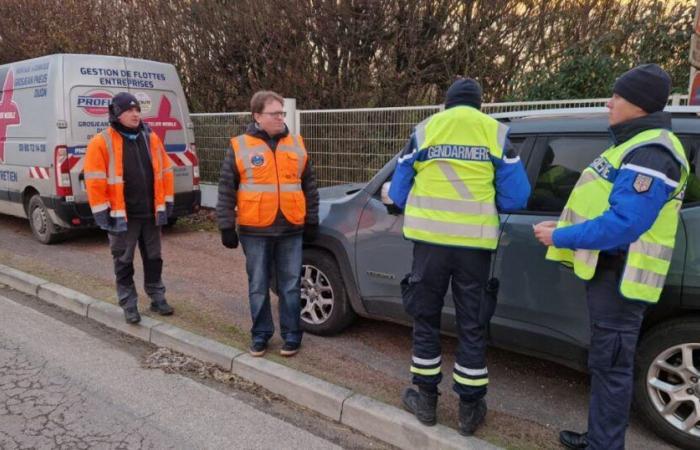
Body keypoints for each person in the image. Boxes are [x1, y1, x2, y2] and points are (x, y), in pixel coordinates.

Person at [533, 64, 688, 450]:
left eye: (616, 96)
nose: (609, 103)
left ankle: (604, 446)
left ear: (637, 104)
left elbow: (624, 223)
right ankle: (599, 439)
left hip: (624, 276)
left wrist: (561, 236)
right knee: (605, 365)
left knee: (612, 367)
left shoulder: (651, 152)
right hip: (611, 272)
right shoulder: (631, 145)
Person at [388, 78, 530, 435]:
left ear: (446, 104)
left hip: (429, 245)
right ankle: (469, 410)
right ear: (480, 105)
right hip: (474, 247)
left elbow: (399, 192)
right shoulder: (496, 133)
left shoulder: (425, 130)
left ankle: (426, 402)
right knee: (472, 324)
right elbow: (516, 198)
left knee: (425, 319)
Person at [217, 90, 319, 358]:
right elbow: (227, 188)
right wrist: (226, 225)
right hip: (255, 231)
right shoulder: (240, 145)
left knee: (290, 285)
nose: (280, 118)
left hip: (291, 229)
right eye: (274, 113)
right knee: (258, 286)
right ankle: (261, 334)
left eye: (282, 113)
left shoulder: (296, 143)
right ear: (257, 116)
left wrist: (312, 220)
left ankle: (292, 335)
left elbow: (310, 186)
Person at [84, 92, 175, 324]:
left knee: (154, 258)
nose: (135, 114)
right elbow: (95, 182)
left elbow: (166, 172)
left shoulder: (151, 138)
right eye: (129, 110)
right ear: (116, 113)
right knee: (123, 262)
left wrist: (168, 202)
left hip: (150, 213)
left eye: (137, 110)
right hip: (122, 216)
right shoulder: (101, 142)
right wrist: (102, 214)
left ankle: (157, 297)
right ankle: (129, 303)